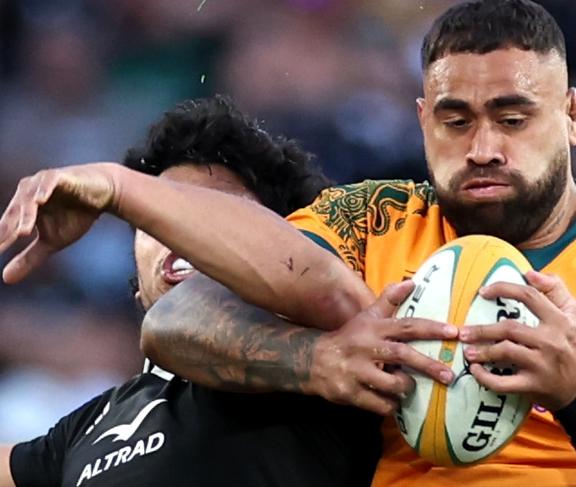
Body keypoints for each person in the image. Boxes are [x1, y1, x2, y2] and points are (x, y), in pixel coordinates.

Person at [0, 1, 576, 486]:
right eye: (456, 121)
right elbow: (181, 314)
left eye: (512, 119)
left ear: (572, 116)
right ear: (422, 119)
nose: (483, 148)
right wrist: (316, 359)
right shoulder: (369, 222)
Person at [0, 95, 432, 487]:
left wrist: (117, 186)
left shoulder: (341, 351)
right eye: (158, 217)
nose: (180, 232)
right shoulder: (87, 428)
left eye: (212, 211)